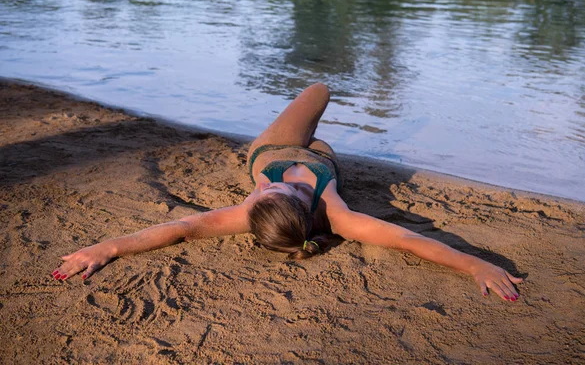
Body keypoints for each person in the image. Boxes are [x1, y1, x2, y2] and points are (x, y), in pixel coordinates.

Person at [53, 83, 522, 301]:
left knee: (315, 93)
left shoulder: (245, 212)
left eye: (263, 192)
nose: (276, 183)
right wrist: (475, 264)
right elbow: (407, 240)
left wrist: (106, 246)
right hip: (324, 158)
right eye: (281, 190)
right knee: (323, 92)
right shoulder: (336, 214)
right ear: (310, 207)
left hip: (275, 145)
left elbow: (180, 228)